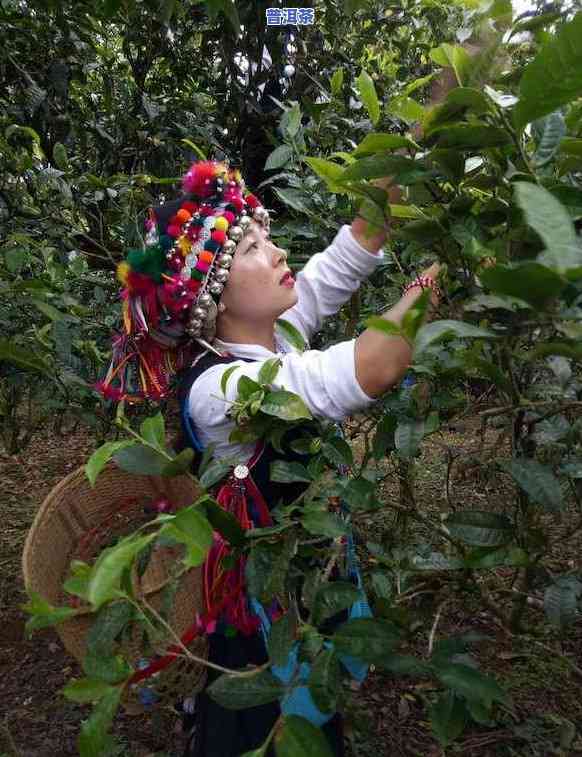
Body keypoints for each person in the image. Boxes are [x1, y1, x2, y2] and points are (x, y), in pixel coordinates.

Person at [99, 54, 473, 754]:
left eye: (266, 233)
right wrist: (448, 266)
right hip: (257, 617)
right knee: (262, 730)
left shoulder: (273, 339)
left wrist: (431, 126)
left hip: (299, 590)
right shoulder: (223, 390)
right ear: (212, 296)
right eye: (251, 246)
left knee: (312, 715)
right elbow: (374, 363)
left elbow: (360, 238)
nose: (275, 252)